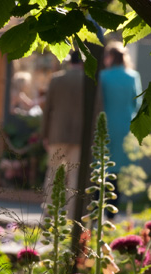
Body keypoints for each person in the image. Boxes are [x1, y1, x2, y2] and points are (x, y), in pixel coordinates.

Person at [97, 42, 142, 208]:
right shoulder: (133, 76)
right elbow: (137, 103)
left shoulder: (103, 76)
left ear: (109, 57)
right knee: (119, 169)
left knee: (102, 165)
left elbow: (98, 102)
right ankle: (112, 211)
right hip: (125, 126)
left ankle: (98, 207)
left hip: (105, 125)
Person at [41, 51, 85, 209]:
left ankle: (48, 213)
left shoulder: (57, 79)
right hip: (81, 136)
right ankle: (71, 215)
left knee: (53, 174)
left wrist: (45, 134)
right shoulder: (90, 81)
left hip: (57, 133)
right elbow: (97, 110)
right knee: (75, 177)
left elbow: (47, 110)